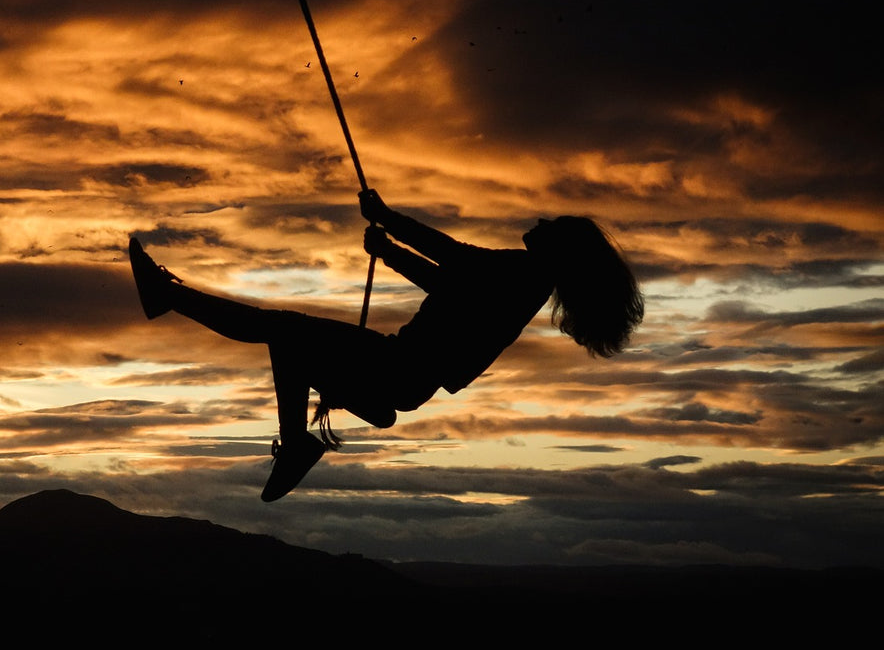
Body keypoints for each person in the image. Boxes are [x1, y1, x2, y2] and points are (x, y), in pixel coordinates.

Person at [129, 189, 643, 502]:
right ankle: (346, 410)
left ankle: (169, 297)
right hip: (402, 369)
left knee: (282, 330)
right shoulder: (524, 281)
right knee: (288, 341)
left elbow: (454, 262)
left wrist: (388, 223)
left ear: (561, 251)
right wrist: (389, 244)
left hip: (398, 367)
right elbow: (451, 280)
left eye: (550, 227)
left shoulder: (524, 273)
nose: (538, 224)